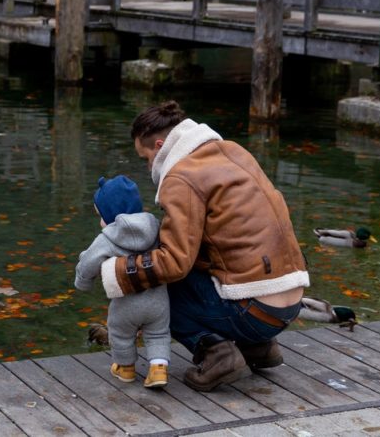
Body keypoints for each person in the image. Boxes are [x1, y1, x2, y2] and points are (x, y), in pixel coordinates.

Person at [99, 101, 309, 392]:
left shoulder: (181, 176)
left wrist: (117, 272)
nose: (149, 167)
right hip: (289, 305)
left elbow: (174, 262)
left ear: (160, 145)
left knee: (158, 287)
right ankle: (259, 348)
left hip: (254, 311)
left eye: (146, 157)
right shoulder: (235, 152)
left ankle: (218, 356)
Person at [75, 175, 171, 389]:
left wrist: (82, 282)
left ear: (110, 215)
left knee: (119, 331)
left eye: (100, 216)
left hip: (125, 303)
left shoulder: (108, 237)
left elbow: (89, 262)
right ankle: (158, 369)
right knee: (158, 333)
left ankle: (126, 368)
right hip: (158, 300)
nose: (100, 221)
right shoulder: (155, 225)